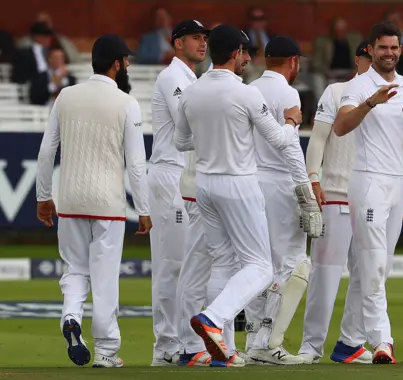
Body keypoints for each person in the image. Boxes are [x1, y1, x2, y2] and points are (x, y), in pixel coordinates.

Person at [172, 24, 321, 364]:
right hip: (238, 183)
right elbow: (281, 141)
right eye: (245, 53)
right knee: (260, 268)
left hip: (205, 185)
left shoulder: (193, 91)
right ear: (237, 53)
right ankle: (212, 319)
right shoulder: (246, 94)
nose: (247, 60)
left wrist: (215, 135)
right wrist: (293, 121)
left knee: (224, 264)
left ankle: (225, 349)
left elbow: (181, 141)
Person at [35, 34, 151, 368]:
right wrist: (143, 209)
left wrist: (45, 197)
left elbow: (46, 152)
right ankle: (106, 351)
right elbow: (137, 163)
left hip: (70, 200)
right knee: (104, 276)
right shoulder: (126, 103)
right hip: (108, 206)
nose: (127, 66)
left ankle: (71, 317)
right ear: (116, 64)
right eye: (125, 61)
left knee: (74, 270)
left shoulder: (66, 96)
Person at [333, 21, 403, 364]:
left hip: (397, 183)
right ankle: (382, 340)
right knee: (373, 264)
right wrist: (370, 104)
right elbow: (341, 126)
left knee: (376, 267)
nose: (388, 53)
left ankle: (347, 342)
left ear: (400, 50)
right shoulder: (358, 86)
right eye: (382, 47)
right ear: (371, 50)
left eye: (394, 47)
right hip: (369, 181)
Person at [242, 35, 319, 365]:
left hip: (251, 183)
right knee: (294, 265)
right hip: (279, 185)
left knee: (260, 265)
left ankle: (252, 340)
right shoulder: (288, 93)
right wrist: (306, 193)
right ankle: (269, 343)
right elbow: (289, 147)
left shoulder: (249, 89)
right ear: (293, 62)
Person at [297, 40, 374, 365]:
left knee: (368, 275)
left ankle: (350, 343)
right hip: (337, 193)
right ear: (358, 59)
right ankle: (310, 347)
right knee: (325, 274)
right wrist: (313, 176)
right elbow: (319, 137)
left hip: (374, 198)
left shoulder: (397, 92)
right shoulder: (336, 91)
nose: (376, 61)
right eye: (369, 56)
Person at [148, 19, 209, 367]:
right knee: (171, 265)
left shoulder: (192, 78)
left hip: (184, 176)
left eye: (204, 39)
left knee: (189, 264)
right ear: (177, 43)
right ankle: (166, 347)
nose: (201, 44)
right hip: (170, 173)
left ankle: (184, 342)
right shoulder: (172, 76)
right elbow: (186, 120)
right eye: (194, 38)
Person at [175, 139, 245, 368]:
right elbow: (183, 139)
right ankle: (192, 347)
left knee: (226, 265)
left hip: (219, 186)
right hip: (204, 187)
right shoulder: (196, 102)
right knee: (200, 269)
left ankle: (221, 346)